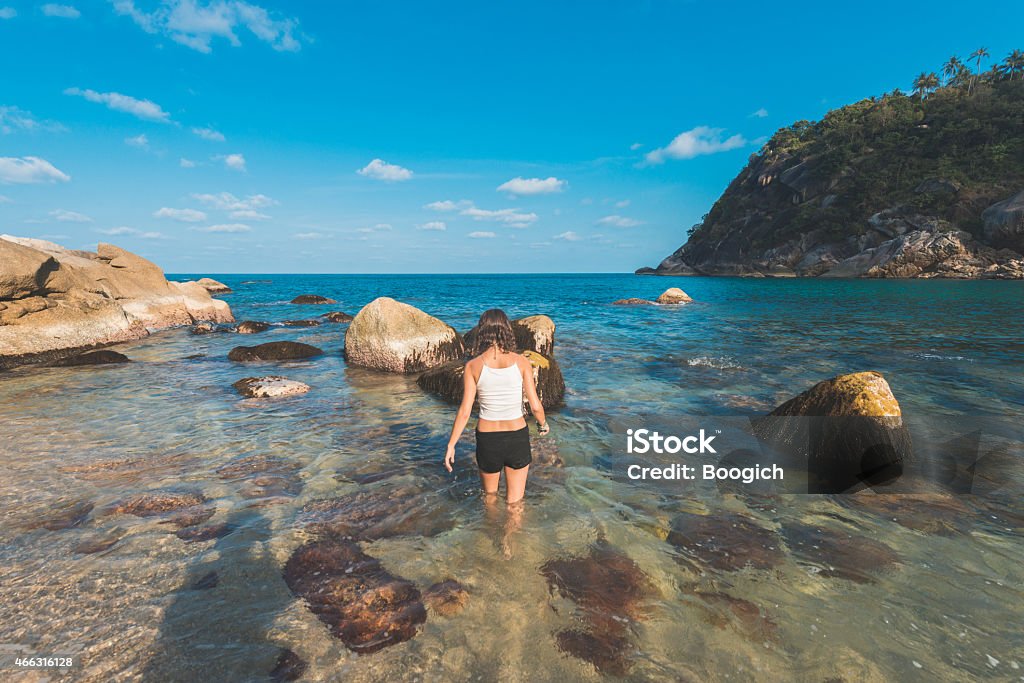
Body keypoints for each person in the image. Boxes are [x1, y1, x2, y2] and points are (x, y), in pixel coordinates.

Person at [444, 309, 549, 504]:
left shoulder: (473, 366)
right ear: (507, 330)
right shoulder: (522, 362)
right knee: (515, 503)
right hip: (516, 435)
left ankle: (488, 534)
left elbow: (465, 411)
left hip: (487, 439)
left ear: (482, 332)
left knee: (489, 499)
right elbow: (535, 406)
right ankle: (512, 535)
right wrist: (543, 424)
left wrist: (451, 445)